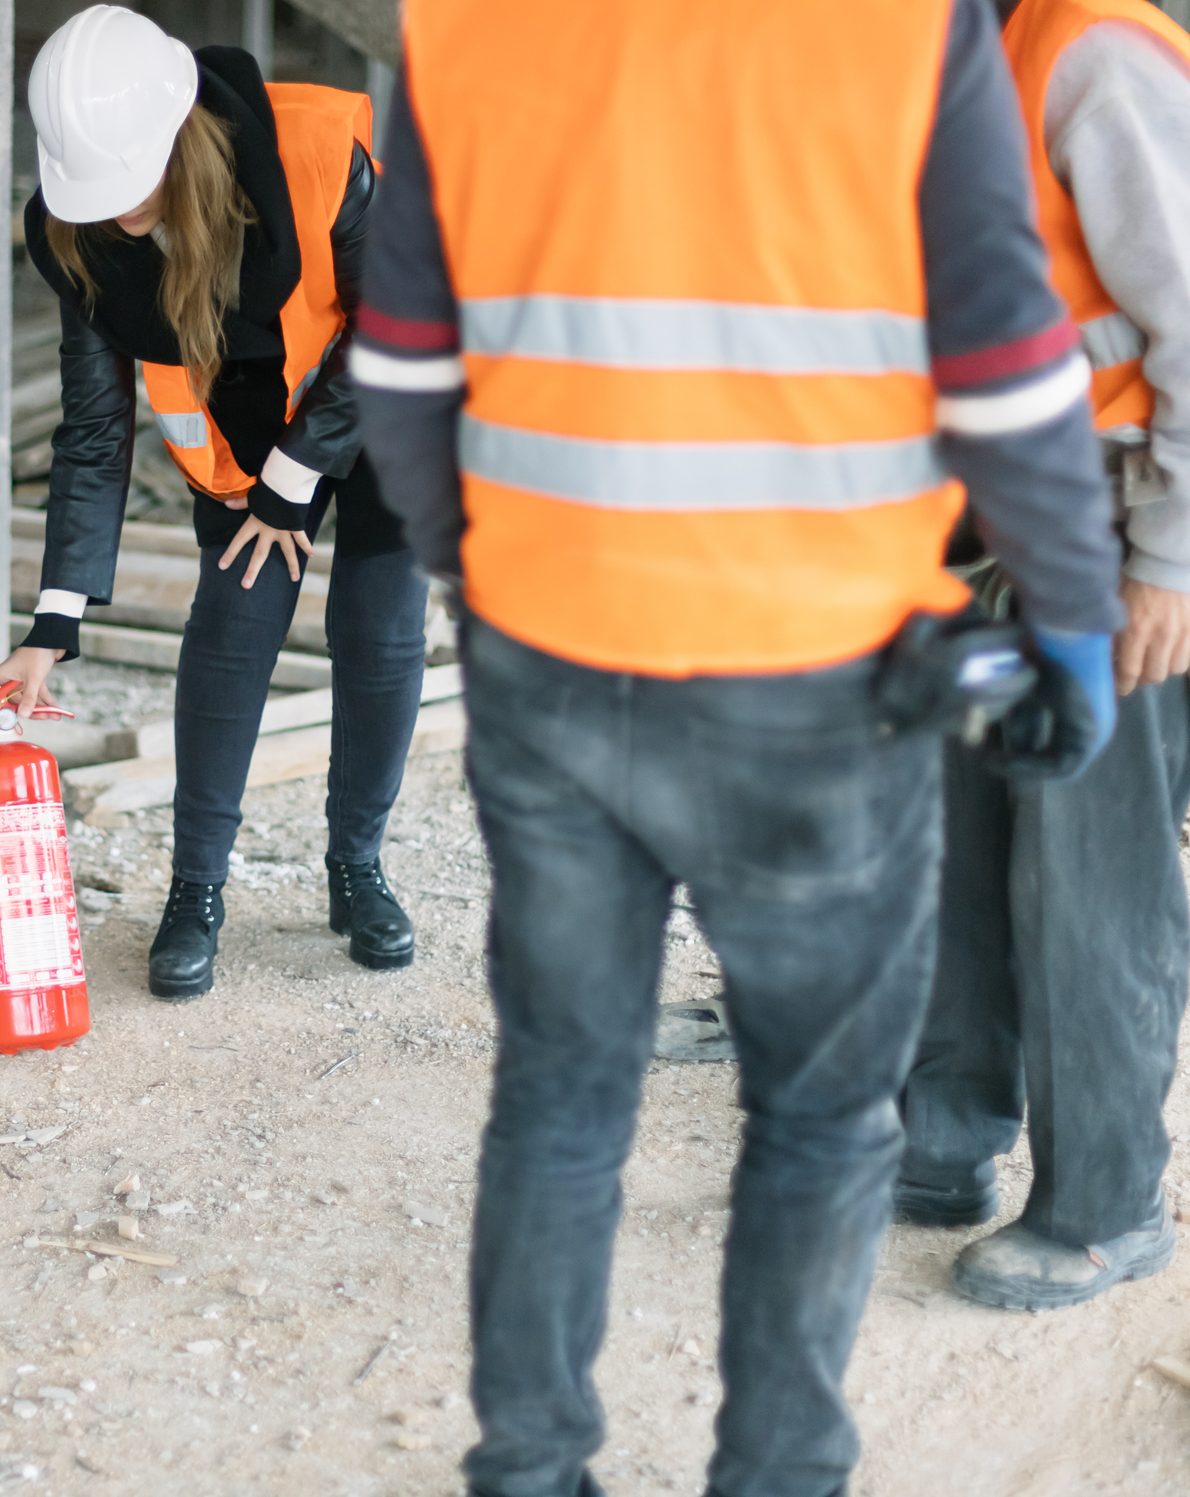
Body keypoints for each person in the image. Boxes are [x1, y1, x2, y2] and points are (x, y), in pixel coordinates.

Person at [355, 0, 1125, 1493]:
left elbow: (398, 372)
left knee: (561, 1093)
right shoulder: (903, 30)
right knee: (824, 1116)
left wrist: (480, 568)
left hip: (546, 656)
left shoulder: (454, 29)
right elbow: (1006, 372)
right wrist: (1072, 617)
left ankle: (525, 1469)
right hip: (813, 683)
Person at [0, 4, 429, 1001]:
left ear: (178, 130)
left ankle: (356, 870)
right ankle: (195, 891)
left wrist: (295, 476)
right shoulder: (79, 235)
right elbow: (94, 434)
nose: (117, 213)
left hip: (379, 407)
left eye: (130, 184)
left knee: (382, 634)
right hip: (241, 432)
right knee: (229, 633)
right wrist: (50, 626)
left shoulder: (317, 152)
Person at [896, 0, 1190, 1313]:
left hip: (1104, 547)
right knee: (952, 854)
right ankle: (946, 1136)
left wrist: (1167, 564)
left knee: (1082, 883)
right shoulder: (918, 57)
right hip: (967, 544)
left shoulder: (1089, 56)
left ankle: (1103, 1203)